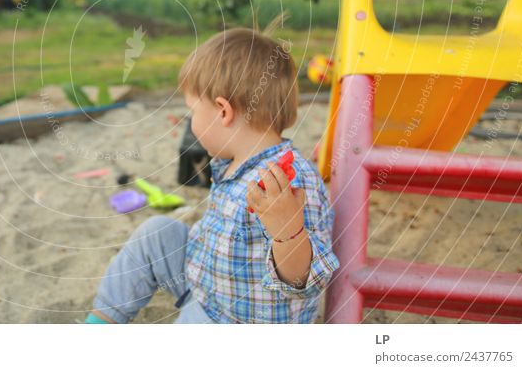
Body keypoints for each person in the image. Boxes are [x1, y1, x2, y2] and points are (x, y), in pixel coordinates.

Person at [86, 28, 340, 323]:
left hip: (234, 320)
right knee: (156, 232)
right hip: (208, 285)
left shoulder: (287, 180)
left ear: (223, 111)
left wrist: (288, 233)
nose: (191, 122)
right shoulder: (234, 163)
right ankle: (101, 322)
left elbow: (304, 283)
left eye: (193, 110)